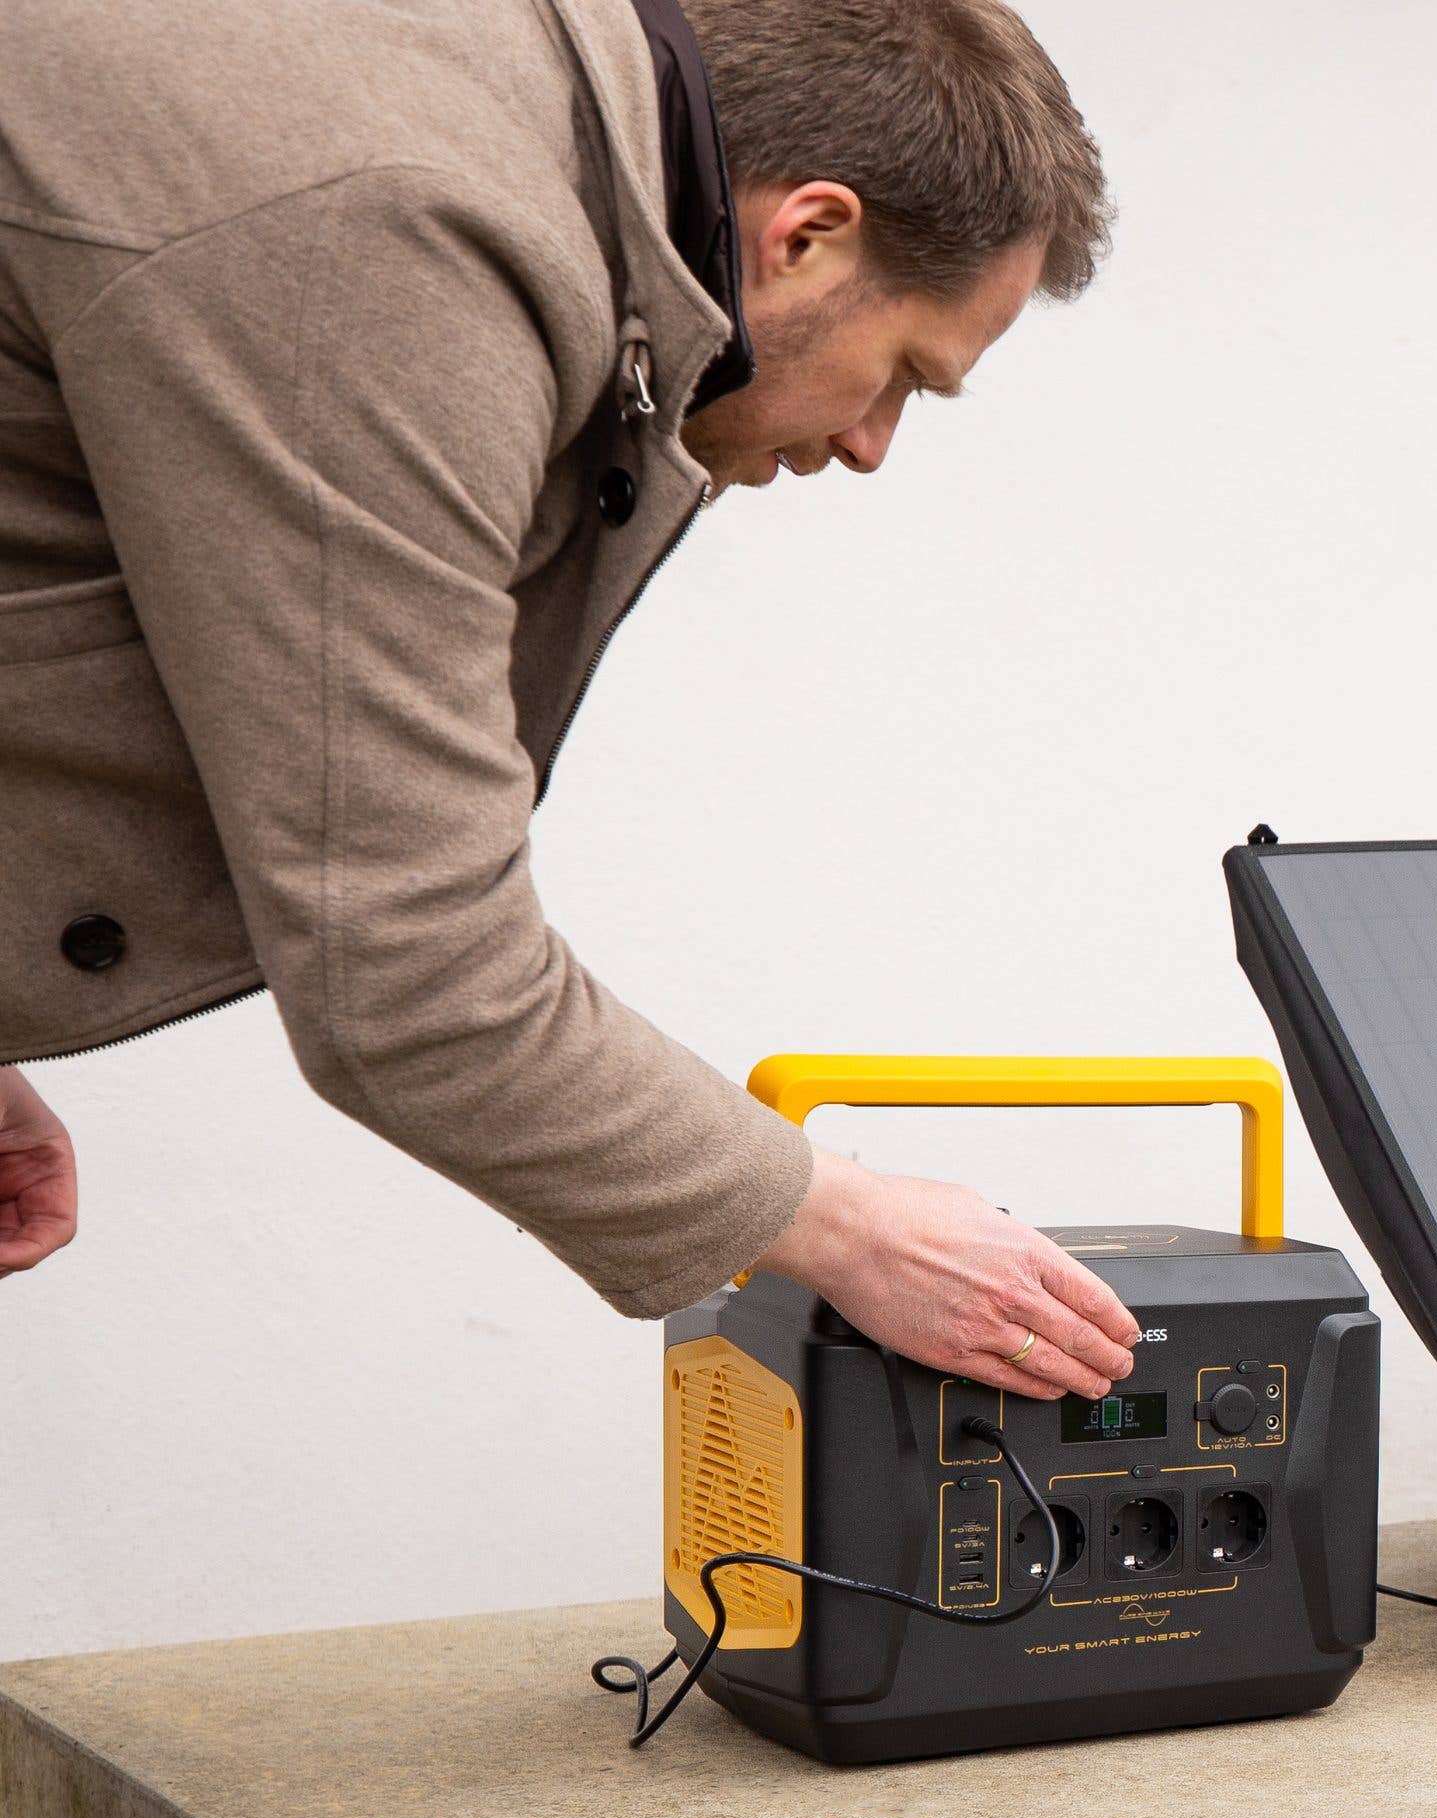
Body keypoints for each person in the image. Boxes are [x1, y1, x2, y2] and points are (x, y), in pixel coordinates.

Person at [0, 0, 1139, 1401]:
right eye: (904, 373)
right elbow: (413, 972)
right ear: (807, 234)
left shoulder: (447, 106)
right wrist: (845, 1225)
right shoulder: (388, 228)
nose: (868, 445)